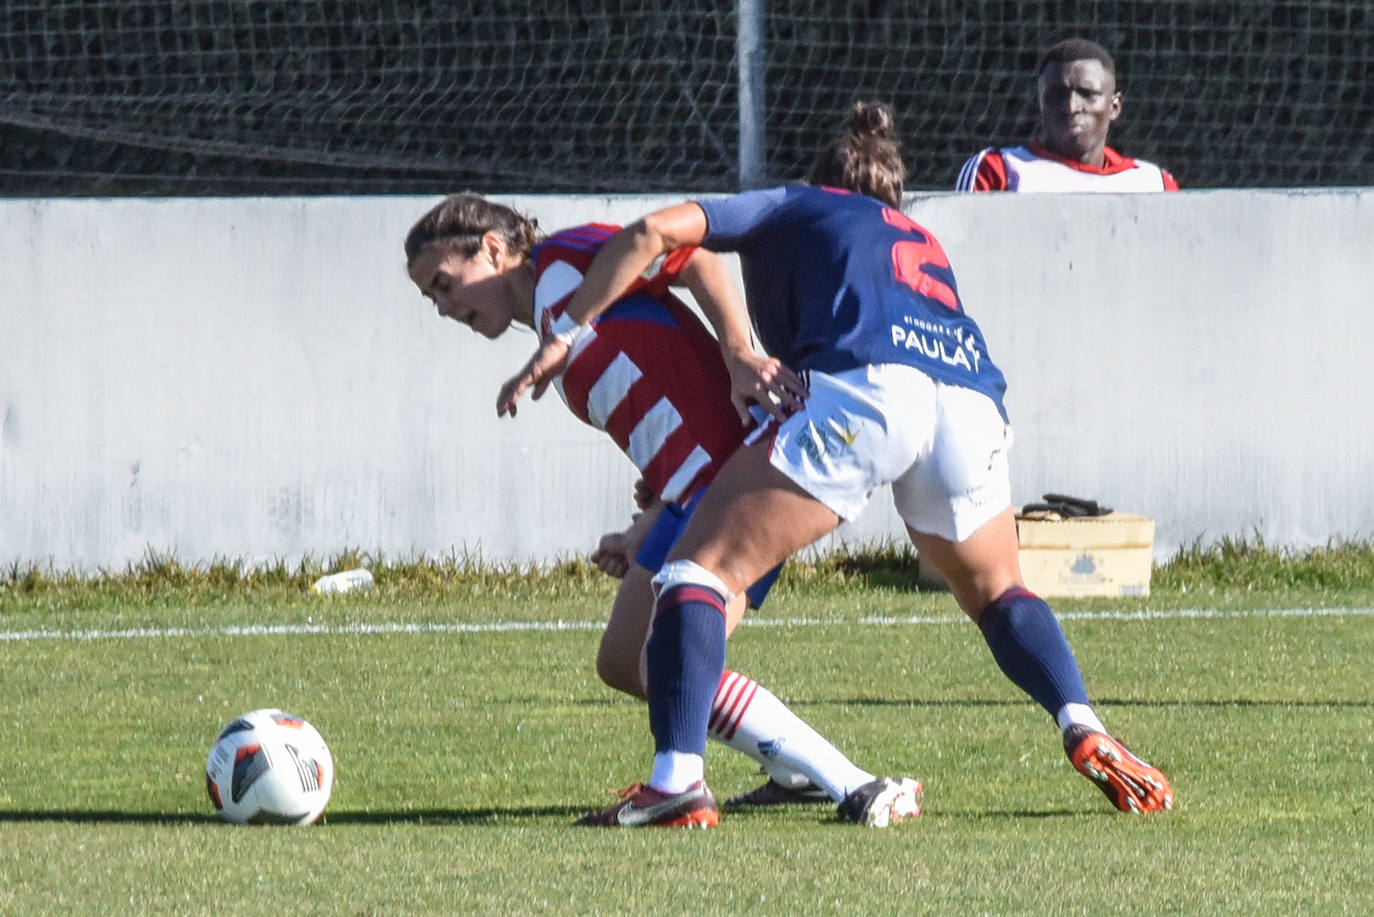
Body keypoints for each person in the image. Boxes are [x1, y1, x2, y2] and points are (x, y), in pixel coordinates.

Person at [499, 101, 1173, 828]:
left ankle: (676, 781)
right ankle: (1081, 719)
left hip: (874, 388)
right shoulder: (921, 237)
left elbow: (656, 232)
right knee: (1000, 590)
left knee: (696, 574)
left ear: (823, 182)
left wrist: (566, 331)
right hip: (971, 398)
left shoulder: (796, 205)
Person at [404, 192, 895, 824]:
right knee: (623, 660)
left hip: (743, 477)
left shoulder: (566, 261)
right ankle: (789, 770)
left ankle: (854, 784)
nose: (444, 307)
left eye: (445, 283)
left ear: (493, 249)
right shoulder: (558, 322)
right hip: (693, 490)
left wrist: (739, 352)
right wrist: (647, 523)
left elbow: (697, 261)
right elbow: (668, 414)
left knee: (656, 661)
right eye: (431, 298)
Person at [957, 38, 1179, 192]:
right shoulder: (997, 171)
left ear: (1114, 107)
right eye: (1056, 95)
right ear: (1040, 103)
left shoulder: (1154, 184)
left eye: (1087, 94)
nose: (1071, 107)